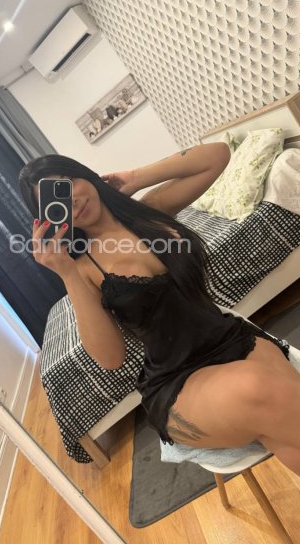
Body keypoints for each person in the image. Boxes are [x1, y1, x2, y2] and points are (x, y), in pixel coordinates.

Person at [19, 145, 300, 476]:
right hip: (177, 382)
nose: (72, 200)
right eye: (56, 199)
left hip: (231, 338)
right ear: (49, 217)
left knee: (283, 417)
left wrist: (136, 177)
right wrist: (66, 273)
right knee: (260, 389)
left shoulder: (150, 211)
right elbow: (111, 359)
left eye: (67, 183)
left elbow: (217, 156)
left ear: (85, 176)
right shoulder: (81, 268)